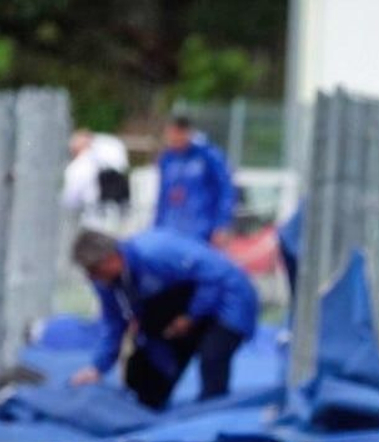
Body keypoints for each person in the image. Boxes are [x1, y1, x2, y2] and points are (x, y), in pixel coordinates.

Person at [68, 227, 258, 410]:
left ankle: (214, 412)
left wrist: (191, 316)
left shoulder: (156, 251)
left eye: (94, 270)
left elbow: (216, 275)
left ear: (110, 259)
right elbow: (113, 323)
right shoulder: (106, 282)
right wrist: (97, 368)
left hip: (228, 299)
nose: (91, 277)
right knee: (143, 380)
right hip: (182, 307)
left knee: (213, 357)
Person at [153, 113, 235, 247]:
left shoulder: (209, 156)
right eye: (169, 135)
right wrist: (157, 226)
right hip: (171, 228)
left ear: (185, 133)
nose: (171, 139)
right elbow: (163, 196)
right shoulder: (167, 159)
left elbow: (226, 191)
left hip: (201, 229)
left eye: (175, 135)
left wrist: (222, 224)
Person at [62, 129, 131, 226]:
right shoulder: (110, 148)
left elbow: (70, 198)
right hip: (114, 211)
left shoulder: (79, 166)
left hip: (95, 214)